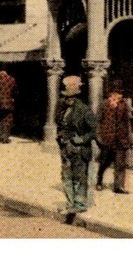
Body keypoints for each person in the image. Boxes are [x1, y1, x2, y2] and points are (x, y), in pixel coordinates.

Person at [55, 75, 96, 221]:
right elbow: (60, 125)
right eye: (65, 97)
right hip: (66, 148)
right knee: (66, 176)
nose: (66, 99)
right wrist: (60, 137)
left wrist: (81, 139)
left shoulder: (84, 110)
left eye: (69, 97)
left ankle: (79, 203)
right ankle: (70, 202)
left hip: (79, 149)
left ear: (75, 97)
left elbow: (94, 131)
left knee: (79, 177)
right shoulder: (63, 110)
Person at [95, 83, 132, 193]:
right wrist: (98, 137)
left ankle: (118, 186)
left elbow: (127, 122)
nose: (119, 97)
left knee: (120, 163)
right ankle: (99, 181)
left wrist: (128, 137)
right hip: (107, 138)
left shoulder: (124, 105)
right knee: (104, 162)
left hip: (120, 138)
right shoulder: (104, 104)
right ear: (111, 94)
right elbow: (97, 121)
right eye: (117, 94)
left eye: (121, 94)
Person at [0, 66, 16, 144]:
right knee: (8, 119)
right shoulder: (12, 79)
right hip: (9, 102)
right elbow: (15, 91)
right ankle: (5, 138)